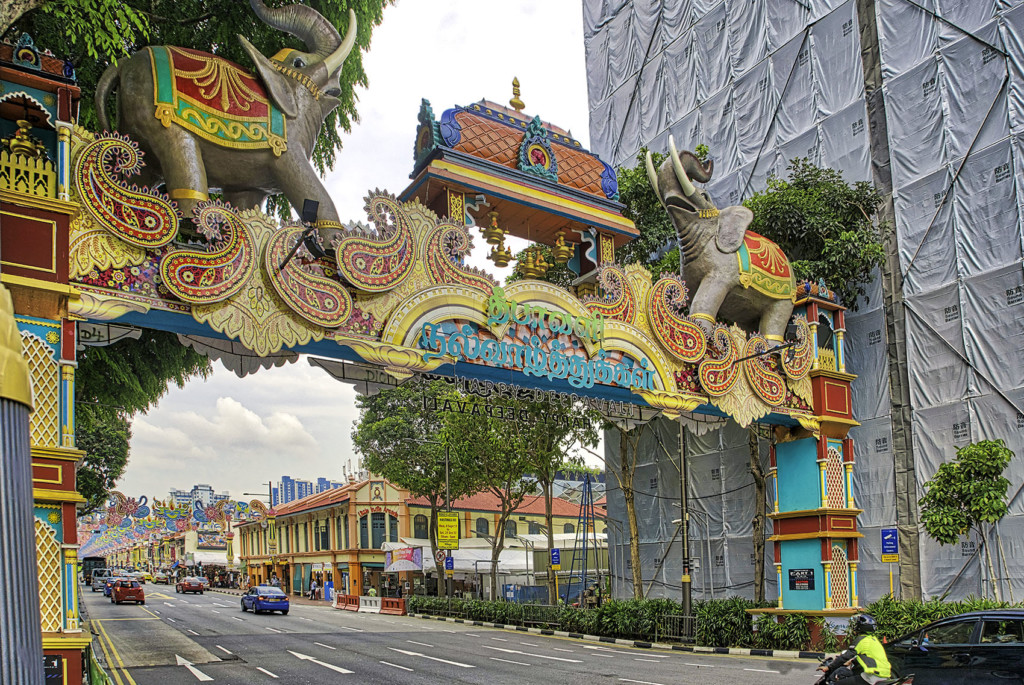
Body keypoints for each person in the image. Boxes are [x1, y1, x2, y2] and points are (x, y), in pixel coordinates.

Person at [817, 614, 893, 684]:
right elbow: (867, 656)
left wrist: (828, 667)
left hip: (873, 676)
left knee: (838, 684)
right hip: (883, 674)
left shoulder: (861, 639)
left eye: (857, 623)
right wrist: (851, 662)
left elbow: (846, 656)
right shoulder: (873, 639)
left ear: (862, 626)